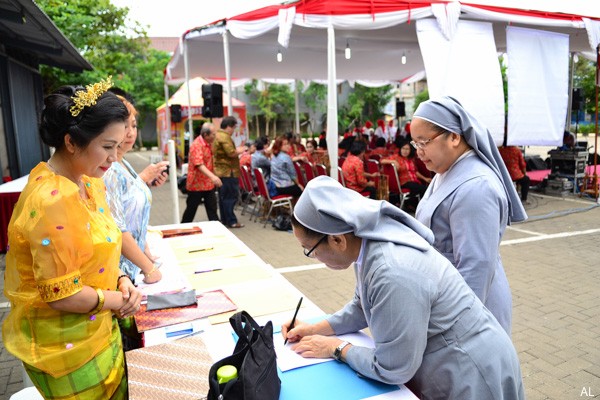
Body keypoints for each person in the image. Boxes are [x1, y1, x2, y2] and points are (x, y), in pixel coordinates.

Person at [282, 176, 524, 400]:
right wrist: (316, 328)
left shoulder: (392, 270)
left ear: (337, 240)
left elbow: (393, 367)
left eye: (309, 250)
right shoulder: (365, 242)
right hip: (455, 360)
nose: (311, 256)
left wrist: (336, 348)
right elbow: (364, 305)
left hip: (472, 371)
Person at [3, 78, 142, 399]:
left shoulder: (89, 182)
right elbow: (61, 294)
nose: (114, 158)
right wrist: (120, 301)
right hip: (65, 348)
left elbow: (98, 246)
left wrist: (121, 278)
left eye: (118, 147)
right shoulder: (52, 198)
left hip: (99, 327)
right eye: (107, 147)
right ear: (71, 141)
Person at [412, 96, 527, 334]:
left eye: (424, 142)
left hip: (470, 311)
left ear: (454, 137)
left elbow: (475, 269)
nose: (419, 152)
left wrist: (448, 328)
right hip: (447, 297)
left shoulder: (476, 187)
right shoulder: (446, 170)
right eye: (415, 144)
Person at [104, 95, 166, 284]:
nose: (130, 133)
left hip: (132, 267)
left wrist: (145, 254)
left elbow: (133, 219)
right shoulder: (108, 169)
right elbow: (117, 228)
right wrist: (149, 269)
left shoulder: (123, 162)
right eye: (124, 126)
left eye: (134, 125)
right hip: (119, 275)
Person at [181, 123, 222, 223]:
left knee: (212, 210)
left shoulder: (209, 143)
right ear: (205, 135)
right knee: (191, 210)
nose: (214, 136)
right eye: (213, 134)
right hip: (196, 184)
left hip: (208, 184)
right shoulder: (196, 145)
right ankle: (183, 229)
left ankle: (217, 230)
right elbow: (199, 164)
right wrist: (213, 177)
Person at [213, 116, 246, 228]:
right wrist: (241, 150)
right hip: (228, 171)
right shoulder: (224, 137)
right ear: (228, 127)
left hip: (221, 171)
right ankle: (232, 221)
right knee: (230, 197)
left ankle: (225, 220)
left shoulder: (218, 135)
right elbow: (231, 153)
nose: (233, 131)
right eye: (233, 128)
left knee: (223, 198)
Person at [381, 139, 430, 210]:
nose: (405, 151)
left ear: (410, 150)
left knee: (423, 187)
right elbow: (382, 160)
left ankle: (412, 205)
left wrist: (425, 178)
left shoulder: (411, 159)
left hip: (413, 181)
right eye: (403, 148)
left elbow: (415, 172)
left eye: (407, 149)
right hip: (404, 182)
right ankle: (422, 208)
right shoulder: (396, 157)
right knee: (424, 189)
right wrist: (393, 161)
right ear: (400, 149)